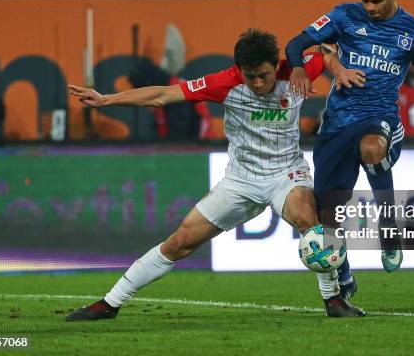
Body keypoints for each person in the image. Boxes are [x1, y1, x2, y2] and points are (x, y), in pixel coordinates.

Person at [65, 29, 365, 320]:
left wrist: (336, 67)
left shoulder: (297, 71)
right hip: (240, 180)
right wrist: (107, 100)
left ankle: (333, 299)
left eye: (265, 75)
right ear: (239, 70)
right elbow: (163, 95)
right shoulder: (224, 82)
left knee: (310, 223)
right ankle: (110, 303)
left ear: (277, 65)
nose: (258, 83)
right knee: (179, 242)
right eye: (251, 77)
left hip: (286, 174)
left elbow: (327, 51)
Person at [285, 0, 414, 300]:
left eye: (377, 1)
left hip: (380, 117)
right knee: (328, 219)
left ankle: (389, 230)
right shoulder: (343, 16)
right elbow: (296, 44)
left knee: (372, 148)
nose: (370, 8)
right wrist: (299, 67)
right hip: (335, 125)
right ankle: (344, 280)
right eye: (366, 1)